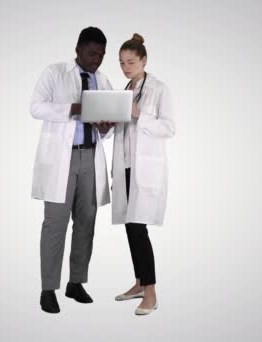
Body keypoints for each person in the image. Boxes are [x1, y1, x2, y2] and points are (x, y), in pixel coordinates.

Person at [30, 27, 115, 314]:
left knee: (86, 222)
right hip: (61, 161)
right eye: (92, 53)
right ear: (78, 49)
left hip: (91, 158)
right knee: (55, 224)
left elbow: (106, 126)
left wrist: (106, 127)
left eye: (101, 55)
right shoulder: (54, 72)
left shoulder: (102, 80)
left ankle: (76, 282)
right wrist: (74, 108)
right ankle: (48, 288)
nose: (97, 60)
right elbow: (36, 107)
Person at [111, 33, 175, 315]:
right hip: (125, 165)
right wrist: (109, 122)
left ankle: (151, 293)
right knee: (130, 226)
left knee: (139, 229)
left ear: (144, 60)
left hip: (145, 167)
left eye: (131, 62)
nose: (126, 67)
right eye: (122, 62)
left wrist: (139, 114)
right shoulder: (125, 88)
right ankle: (138, 282)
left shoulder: (159, 88)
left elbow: (169, 128)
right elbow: (124, 130)